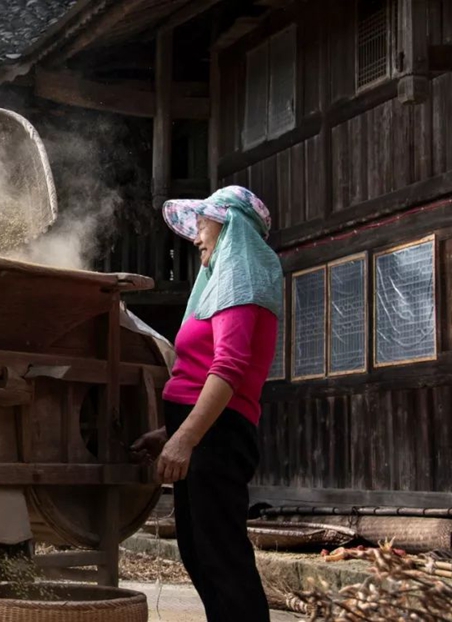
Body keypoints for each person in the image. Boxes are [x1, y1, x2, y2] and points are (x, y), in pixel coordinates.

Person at [131, 186, 283, 622]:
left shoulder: (242, 280)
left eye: (203, 224)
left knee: (221, 556)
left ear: (231, 227)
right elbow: (201, 373)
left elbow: (229, 369)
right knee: (200, 553)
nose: (196, 236)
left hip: (216, 436)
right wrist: (170, 432)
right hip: (205, 432)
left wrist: (186, 438)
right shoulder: (221, 284)